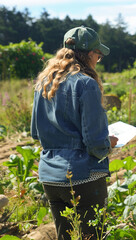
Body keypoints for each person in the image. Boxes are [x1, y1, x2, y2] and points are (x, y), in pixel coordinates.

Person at [31, 26, 118, 240]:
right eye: (98, 54)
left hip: (50, 177)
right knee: (93, 235)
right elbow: (95, 143)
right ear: (89, 54)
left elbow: (35, 132)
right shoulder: (86, 84)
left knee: (66, 236)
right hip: (83, 176)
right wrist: (110, 143)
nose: (98, 59)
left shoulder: (43, 82)